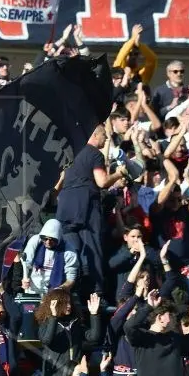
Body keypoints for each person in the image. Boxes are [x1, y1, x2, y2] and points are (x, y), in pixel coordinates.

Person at [56, 125, 122, 297]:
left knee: (71, 249)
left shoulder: (71, 152)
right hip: (85, 206)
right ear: (94, 135)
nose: (106, 138)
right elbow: (102, 182)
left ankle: (69, 288)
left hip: (65, 206)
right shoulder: (95, 154)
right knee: (92, 247)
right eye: (104, 135)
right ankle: (96, 291)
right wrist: (120, 174)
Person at [19, 219, 78, 296]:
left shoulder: (69, 251)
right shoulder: (35, 241)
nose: (48, 242)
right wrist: (24, 279)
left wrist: (60, 290)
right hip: (33, 290)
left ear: (59, 238)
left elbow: (70, 278)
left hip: (56, 292)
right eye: (45, 238)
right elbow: (26, 263)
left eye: (52, 239)